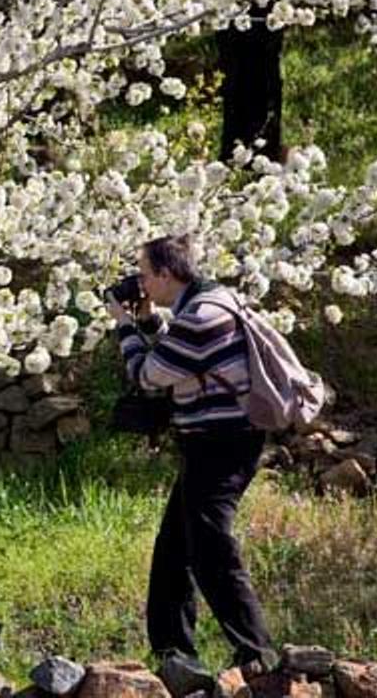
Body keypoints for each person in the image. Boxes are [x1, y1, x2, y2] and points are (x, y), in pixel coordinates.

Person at [105, 234, 280, 690]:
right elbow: (182, 359)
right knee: (174, 549)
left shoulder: (201, 316)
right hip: (215, 441)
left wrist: (124, 325)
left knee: (209, 545)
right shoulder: (210, 302)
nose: (139, 281)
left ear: (166, 274)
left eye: (144, 273)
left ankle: (256, 650)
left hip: (222, 443)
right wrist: (147, 321)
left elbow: (149, 375)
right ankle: (172, 652)